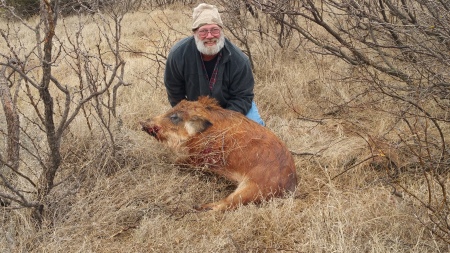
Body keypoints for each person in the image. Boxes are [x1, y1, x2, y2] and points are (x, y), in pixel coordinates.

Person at [164, 3, 265, 126]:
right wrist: (189, 115)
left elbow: (243, 97)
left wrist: (220, 121)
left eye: (214, 30)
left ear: (221, 31)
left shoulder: (239, 60)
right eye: (203, 31)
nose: (210, 36)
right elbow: (175, 92)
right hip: (195, 110)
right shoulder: (178, 55)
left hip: (231, 109)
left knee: (256, 128)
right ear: (195, 33)